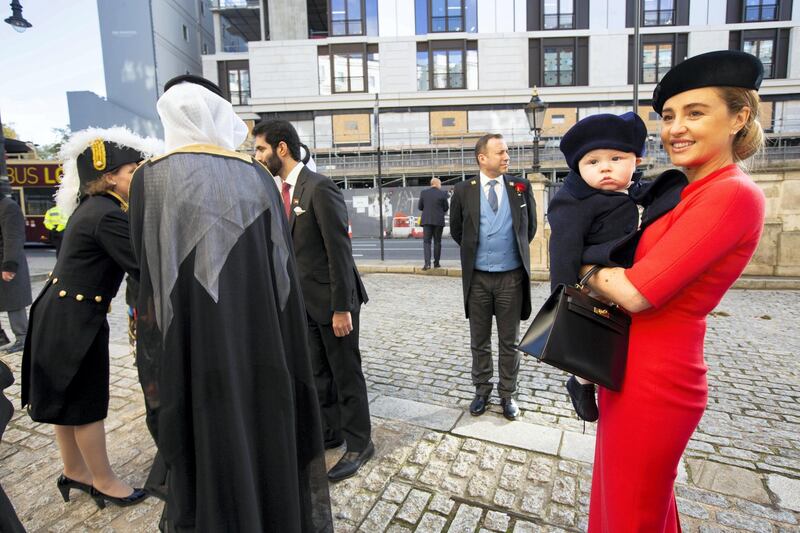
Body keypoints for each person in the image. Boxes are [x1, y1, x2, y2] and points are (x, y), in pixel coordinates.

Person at [130, 75, 332, 531]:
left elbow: (146, 270)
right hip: (258, 335)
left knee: (204, 429)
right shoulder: (257, 176)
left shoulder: (151, 177)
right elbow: (281, 274)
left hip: (190, 338)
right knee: (259, 423)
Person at [580, 50, 767, 532]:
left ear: (739, 117)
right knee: (639, 506)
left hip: (656, 379)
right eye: (668, 116)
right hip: (634, 368)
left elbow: (639, 292)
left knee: (630, 513)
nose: (676, 128)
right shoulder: (691, 189)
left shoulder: (731, 193)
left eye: (695, 113)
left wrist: (585, 268)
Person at [20, 127, 159, 509]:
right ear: (110, 176)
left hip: (60, 313)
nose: (137, 178)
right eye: (132, 171)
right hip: (74, 321)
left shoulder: (93, 208)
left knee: (65, 404)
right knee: (85, 405)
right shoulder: (107, 215)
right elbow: (144, 267)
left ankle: (75, 471)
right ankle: (104, 481)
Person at [253, 119, 373, 482]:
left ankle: (359, 443)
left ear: (282, 148)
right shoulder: (280, 190)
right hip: (304, 303)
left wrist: (341, 307)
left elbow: (340, 253)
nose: (255, 156)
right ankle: (330, 431)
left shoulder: (319, 188)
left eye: (260, 149)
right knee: (319, 373)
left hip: (334, 303)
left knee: (345, 372)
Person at [549, 112, 686, 421]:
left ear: (635, 161)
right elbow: (563, 248)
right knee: (588, 337)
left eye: (616, 158)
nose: (605, 167)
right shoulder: (574, 200)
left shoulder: (638, 192)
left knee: (613, 341)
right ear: (579, 169)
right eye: (592, 162)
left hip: (629, 283)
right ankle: (581, 382)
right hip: (590, 283)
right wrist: (563, 294)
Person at [450, 134, 536, 421]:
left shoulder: (520, 187)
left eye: (507, 151)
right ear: (482, 158)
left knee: (509, 342)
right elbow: (458, 231)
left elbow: (529, 229)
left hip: (511, 278)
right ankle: (482, 390)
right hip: (478, 280)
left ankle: (508, 394)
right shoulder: (463, 191)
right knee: (479, 340)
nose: (506, 156)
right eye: (500, 152)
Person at [0, 180, 31, 355]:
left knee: (14, 303)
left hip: (8, 263)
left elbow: (13, 238)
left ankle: (23, 337)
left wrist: (9, 265)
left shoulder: (8, 207)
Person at [418, 177, 449, 270]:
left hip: (427, 221)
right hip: (438, 221)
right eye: (440, 184)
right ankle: (436, 263)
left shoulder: (424, 193)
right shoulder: (443, 193)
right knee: (437, 242)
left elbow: (420, 207)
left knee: (426, 242)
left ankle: (427, 264)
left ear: (431, 184)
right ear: (437, 184)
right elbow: (446, 208)